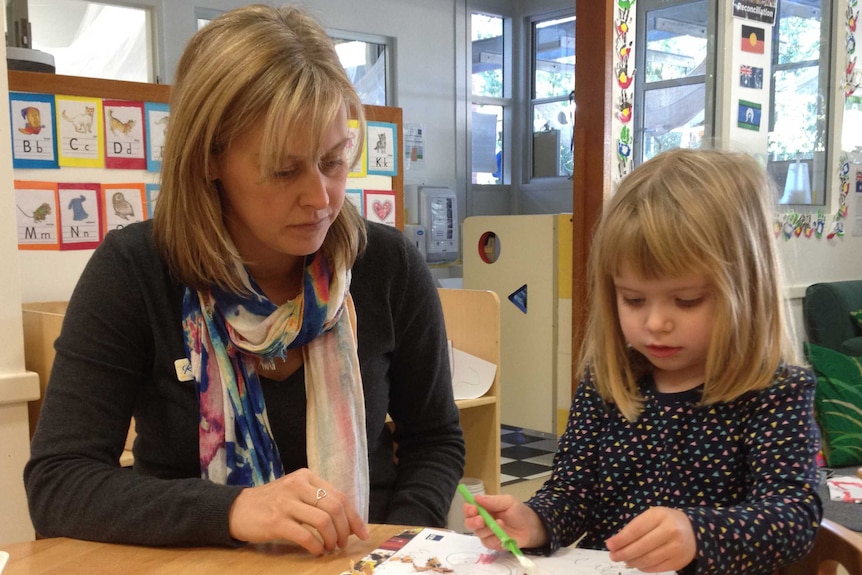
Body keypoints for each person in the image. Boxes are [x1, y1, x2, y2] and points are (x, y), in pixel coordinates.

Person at [24, 4, 465, 554]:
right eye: (284, 170)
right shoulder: (135, 271)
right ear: (209, 158)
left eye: (333, 161)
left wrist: (395, 547)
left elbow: (435, 441)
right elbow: (58, 483)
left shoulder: (387, 266)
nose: (321, 198)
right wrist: (234, 508)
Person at [464, 148, 822, 575]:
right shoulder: (609, 382)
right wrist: (534, 521)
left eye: (686, 301)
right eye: (633, 299)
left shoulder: (775, 392)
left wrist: (697, 533)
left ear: (748, 288)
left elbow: (795, 515)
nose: (655, 323)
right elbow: (573, 495)